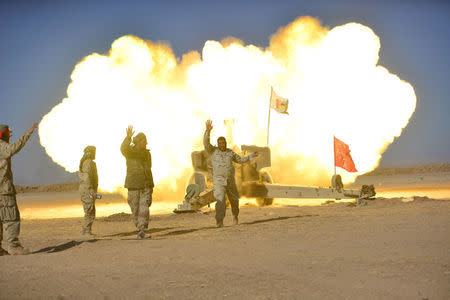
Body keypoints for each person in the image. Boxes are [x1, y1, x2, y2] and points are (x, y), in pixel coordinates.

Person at [203, 120, 257, 228]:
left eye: (224, 143)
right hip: (219, 181)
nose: (222, 145)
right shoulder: (213, 151)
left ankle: (235, 216)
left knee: (234, 200)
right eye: (220, 143)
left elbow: (240, 160)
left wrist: (250, 157)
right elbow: (206, 143)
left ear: (226, 144)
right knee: (220, 200)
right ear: (218, 144)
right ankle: (219, 221)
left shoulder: (230, 153)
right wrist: (207, 132)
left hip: (230, 181)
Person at [0, 122, 38, 255]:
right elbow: (13, 149)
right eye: (8, 134)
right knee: (11, 218)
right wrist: (28, 133)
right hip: (3, 191)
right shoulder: (2, 146)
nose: (9, 136)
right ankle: (14, 246)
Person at [120, 125, 154, 239]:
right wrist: (128, 138)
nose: (146, 143)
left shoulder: (147, 153)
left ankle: (142, 230)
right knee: (135, 210)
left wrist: (150, 184)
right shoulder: (130, 152)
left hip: (145, 185)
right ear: (139, 141)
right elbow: (123, 149)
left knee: (144, 209)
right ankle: (139, 229)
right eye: (144, 141)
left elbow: (149, 168)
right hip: (133, 185)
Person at [79, 145, 98, 239]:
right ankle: (85, 232)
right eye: (94, 152)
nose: (95, 154)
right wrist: (91, 190)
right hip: (87, 191)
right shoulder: (88, 163)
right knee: (89, 211)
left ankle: (87, 231)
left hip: (88, 190)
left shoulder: (89, 162)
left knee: (91, 210)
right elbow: (87, 178)